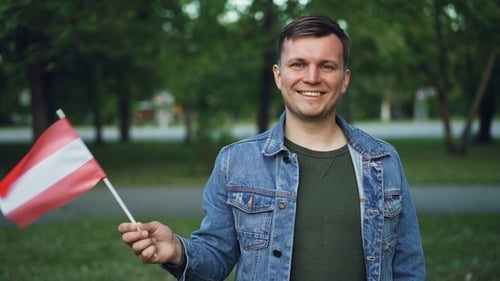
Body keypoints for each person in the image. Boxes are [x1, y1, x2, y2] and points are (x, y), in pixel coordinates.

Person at [118, 15, 426, 281]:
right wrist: (177, 250)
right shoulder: (235, 162)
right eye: (298, 64)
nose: (312, 77)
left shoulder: (382, 160)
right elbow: (216, 257)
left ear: (344, 80)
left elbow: (408, 267)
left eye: (327, 66)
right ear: (279, 76)